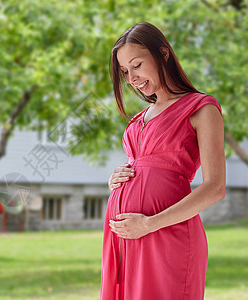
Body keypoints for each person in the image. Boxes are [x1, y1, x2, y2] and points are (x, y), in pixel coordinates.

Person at [100, 22, 225, 300]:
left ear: (163, 54)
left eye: (137, 65)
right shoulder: (139, 119)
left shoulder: (201, 108)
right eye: (125, 72)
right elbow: (146, 167)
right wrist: (118, 180)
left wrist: (149, 224)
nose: (132, 78)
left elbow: (215, 188)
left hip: (166, 234)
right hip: (126, 239)